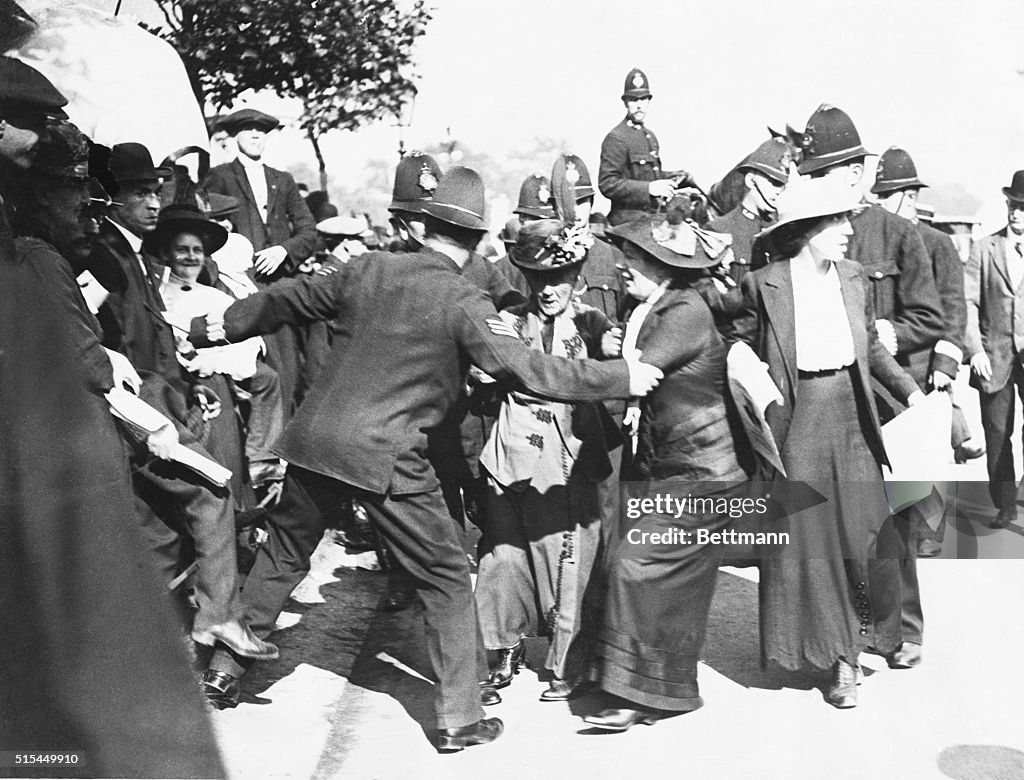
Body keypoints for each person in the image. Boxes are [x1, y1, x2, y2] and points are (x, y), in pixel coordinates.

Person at [189, 167, 663, 751]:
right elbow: (530, 369)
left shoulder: (364, 268)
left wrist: (216, 326)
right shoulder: (465, 300)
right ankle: (462, 718)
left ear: (420, 226)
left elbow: (287, 300)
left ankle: (221, 675)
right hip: (387, 455)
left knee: (285, 553)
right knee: (443, 577)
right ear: (475, 241)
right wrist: (621, 376)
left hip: (312, 443)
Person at [0, 101, 222, 777]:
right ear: (38, 197)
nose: (90, 215)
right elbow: (85, 363)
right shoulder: (35, 263)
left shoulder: (44, 258)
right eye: (79, 197)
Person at [732, 176, 924, 709]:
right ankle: (839, 659)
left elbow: (872, 354)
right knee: (809, 542)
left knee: (865, 535)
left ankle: (870, 638)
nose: (847, 230)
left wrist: (910, 396)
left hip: (853, 419)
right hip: (799, 424)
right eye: (836, 221)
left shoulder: (855, 278)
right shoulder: (763, 284)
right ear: (807, 230)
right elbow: (738, 346)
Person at [582, 205, 745, 731]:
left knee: (637, 565)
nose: (621, 264)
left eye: (631, 256)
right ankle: (658, 692)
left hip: (704, 475)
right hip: (677, 471)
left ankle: (634, 693)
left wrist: (562, 371)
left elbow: (637, 374)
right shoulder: (654, 309)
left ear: (661, 265)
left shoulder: (684, 312)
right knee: (666, 584)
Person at [796, 103, 943, 671]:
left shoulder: (899, 235)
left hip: (885, 401)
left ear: (859, 171)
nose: (824, 182)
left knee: (894, 522)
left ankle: (903, 630)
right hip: (827, 406)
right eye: (815, 173)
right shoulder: (799, 233)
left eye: (834, 171)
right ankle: (842, 633)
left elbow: (929, 316)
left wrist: (887, 332)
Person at [475, 218, 622, 703]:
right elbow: (484, 376)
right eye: (538, 278)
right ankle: (503, 648)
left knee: (567, 561)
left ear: (577, 276)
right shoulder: (508, 321)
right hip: (511, 453)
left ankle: (566, 663)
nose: (548, 289)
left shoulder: (592, 323)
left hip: (568, 459)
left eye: (559, 278)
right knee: (503, 555)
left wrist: (609, 355)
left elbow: (611, 371)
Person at [154, 203, 286, 489]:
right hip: (178, 384)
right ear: (166, 254)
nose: (191, 257)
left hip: (218, 382)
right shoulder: (157, 294)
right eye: (182, 250)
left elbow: (248, 344)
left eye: (197, 251)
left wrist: (216, 361)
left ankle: (254, 470)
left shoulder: (217, 297)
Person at [204, 108, 317, 414]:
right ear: (235, 136)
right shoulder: (220, 176)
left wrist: (284, 250)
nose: (255, 135)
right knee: (256, 369)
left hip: (280, 287)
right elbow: (210, 227)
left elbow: (309, 231)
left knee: (292, 363)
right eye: (248, 129)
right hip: (238, 285)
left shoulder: (283, 180)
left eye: (261, 131)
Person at [964, 169, 1024, 530]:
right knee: (998, 434)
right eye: (1014, 206)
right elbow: (967, 303)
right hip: (994, 357)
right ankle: (1005, 505)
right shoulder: (983, 248)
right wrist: (976, 350)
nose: (1017, 213)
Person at [598, 68, 694, 226]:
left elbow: (647, 175)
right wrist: (649, 188)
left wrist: (675, 177)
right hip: (627, 222)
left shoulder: (649, 136)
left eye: (643, 99)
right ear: (625, 102)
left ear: (649, 101)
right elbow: (607, 183)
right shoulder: (616, 138)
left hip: (653, 218)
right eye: (633, 100)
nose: (639, 105)